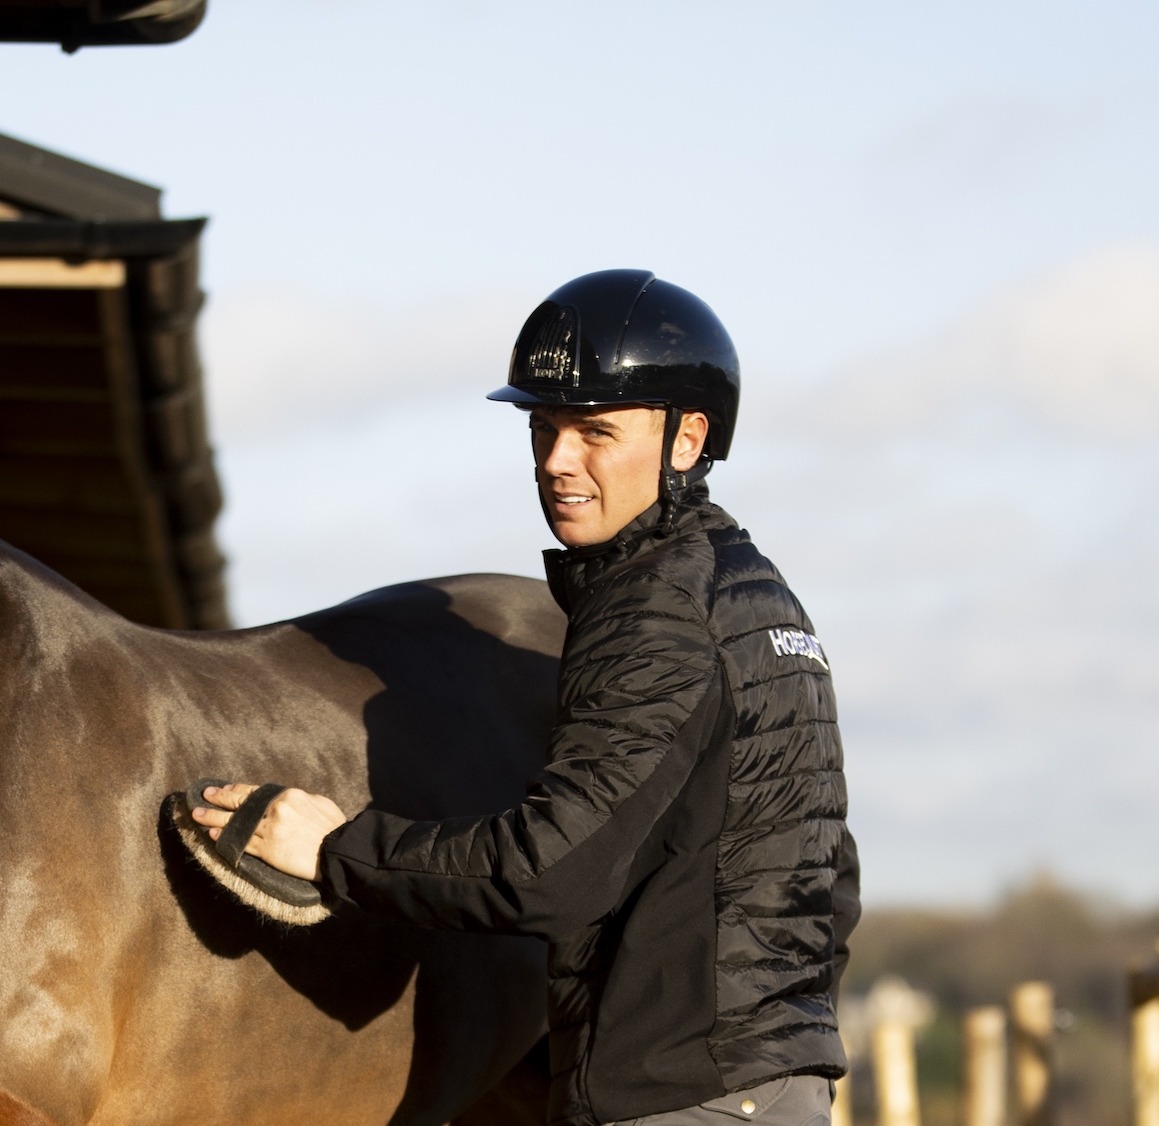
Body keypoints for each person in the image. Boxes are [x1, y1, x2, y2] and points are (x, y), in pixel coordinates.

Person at [195, 269, 860, 1126]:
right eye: (543, 429)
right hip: (772, 1090)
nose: (557, 462)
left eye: (595, 432)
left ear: (687, 438)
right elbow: (830, 882)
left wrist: (336, 849)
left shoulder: (654, 608)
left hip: (674, 1099)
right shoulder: (758, 595)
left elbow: (554, 869)